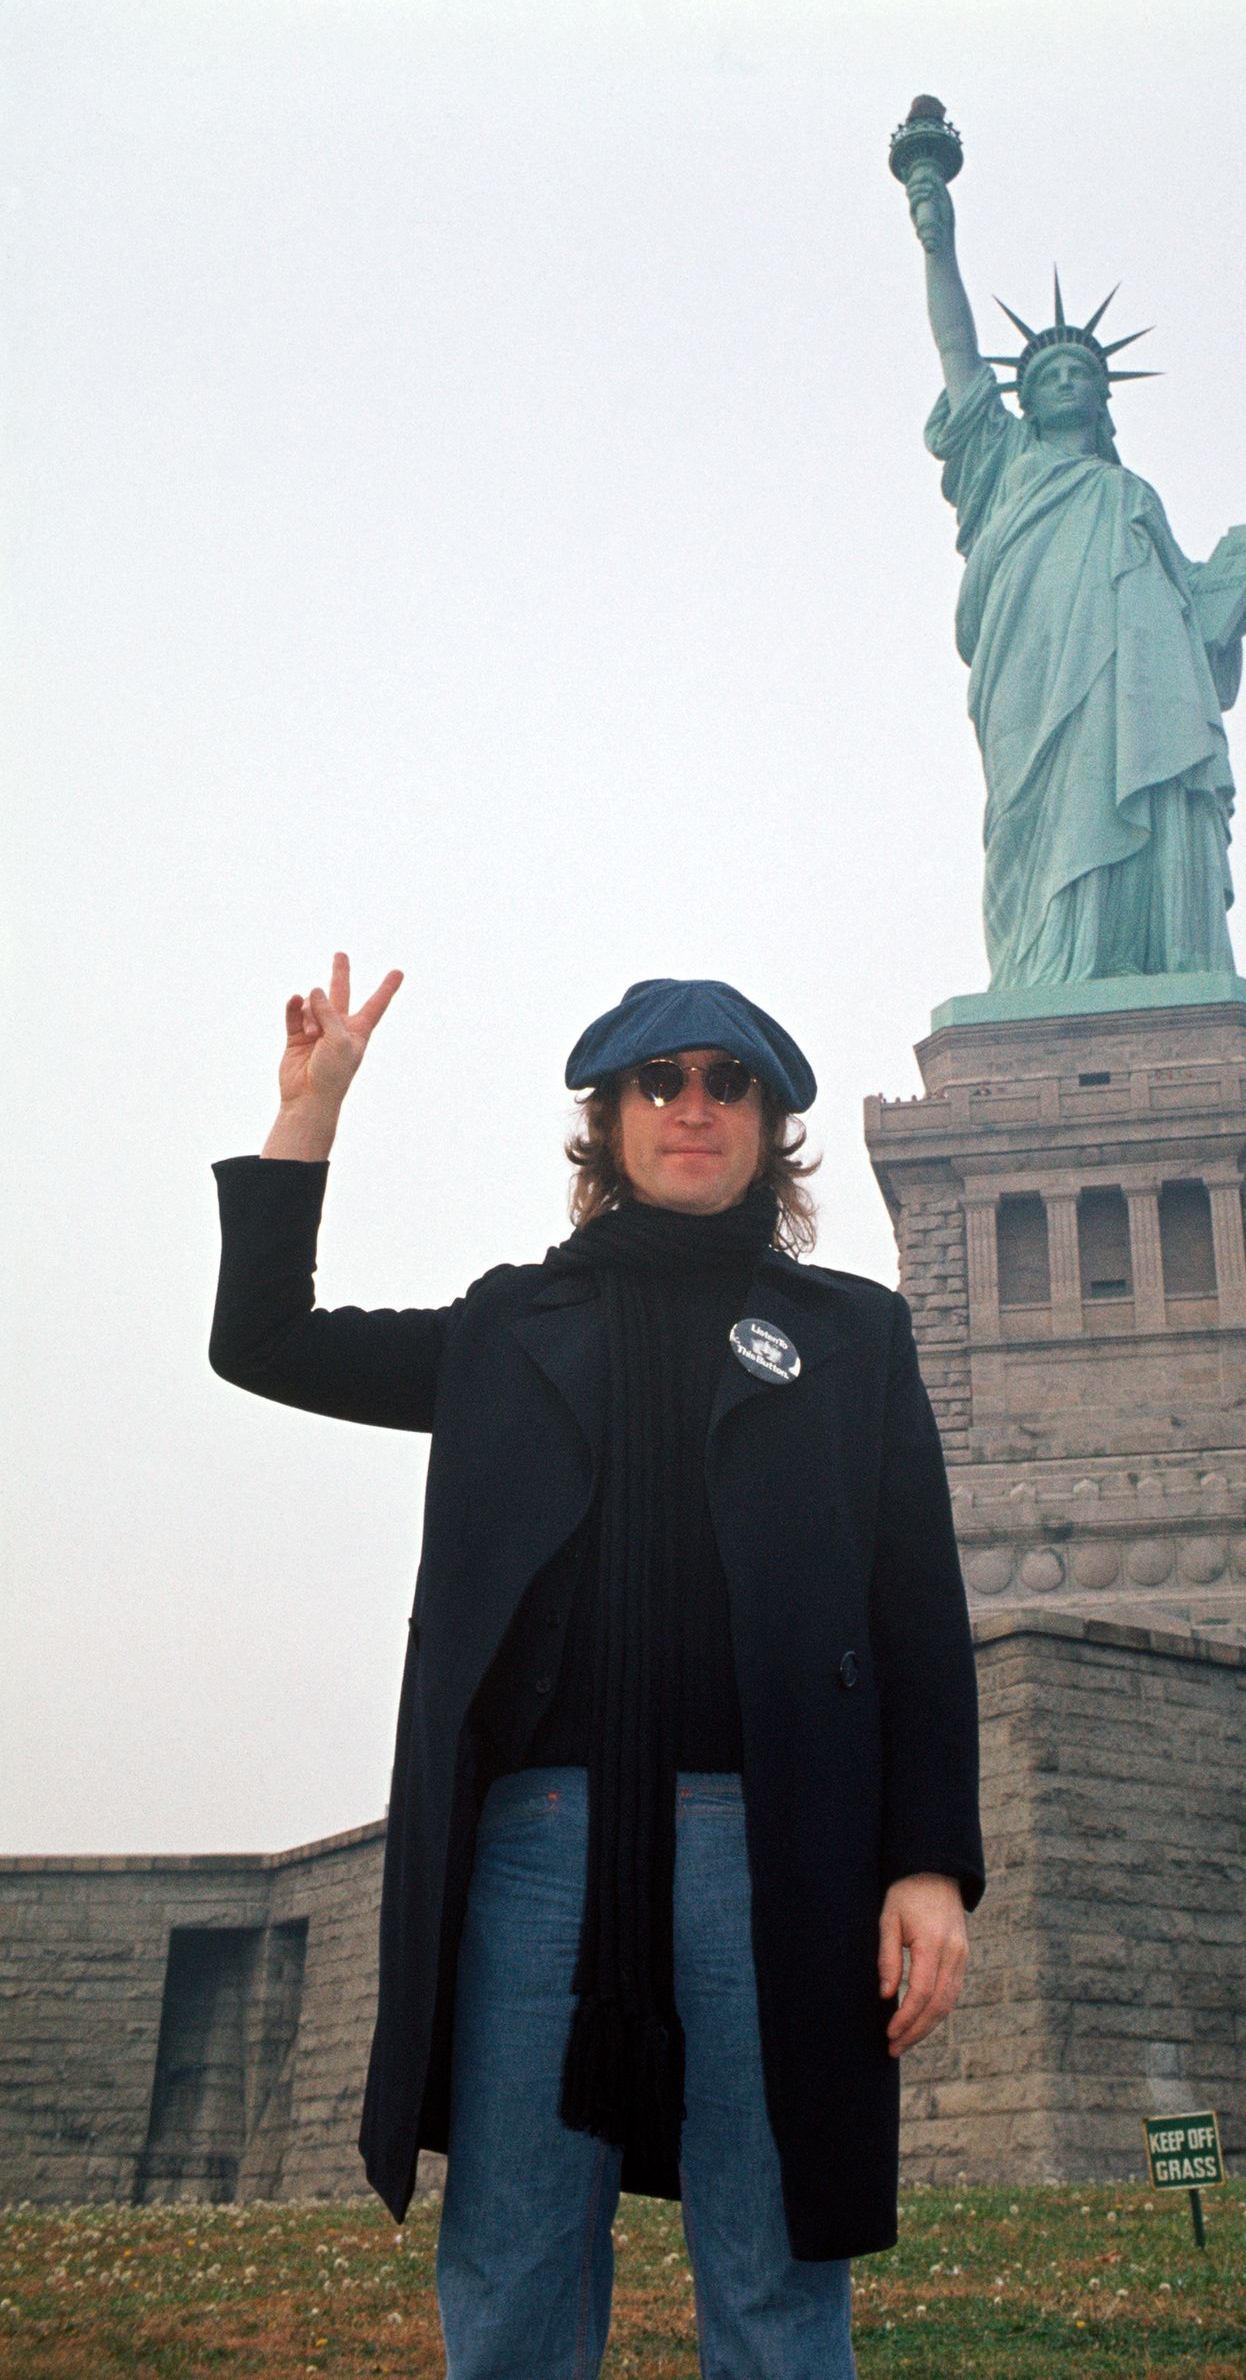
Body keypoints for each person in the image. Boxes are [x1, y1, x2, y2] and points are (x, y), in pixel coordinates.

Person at [209, 955, 984, 2380]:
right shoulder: (512, 1326)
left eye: (727, 1081)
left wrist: (929, 1862)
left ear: (767, 1123)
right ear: (611, 1117)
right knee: (511, 2275)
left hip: (780, 1854)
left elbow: (919, 1615)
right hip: (536, 1852)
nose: (695, 1106)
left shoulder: (853, 1338)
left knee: (776, 2277)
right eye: (661, 1080)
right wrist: (307, 1118)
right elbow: (262, 1341)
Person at [903, 158, 1246, 991]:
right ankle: (1045, 970)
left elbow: (1191, 616)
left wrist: (1242, 589)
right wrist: (939, 239)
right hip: (1032, 678)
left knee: (1134, 783)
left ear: (1102, 399)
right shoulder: (1001, 464)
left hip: (1135, 690)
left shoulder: (1128, 494)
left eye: (1081, 373)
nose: (1067, 381)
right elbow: (957, 350)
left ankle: (1136, 951)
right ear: (1028, 402)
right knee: (1032, 821)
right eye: (1047, 377)